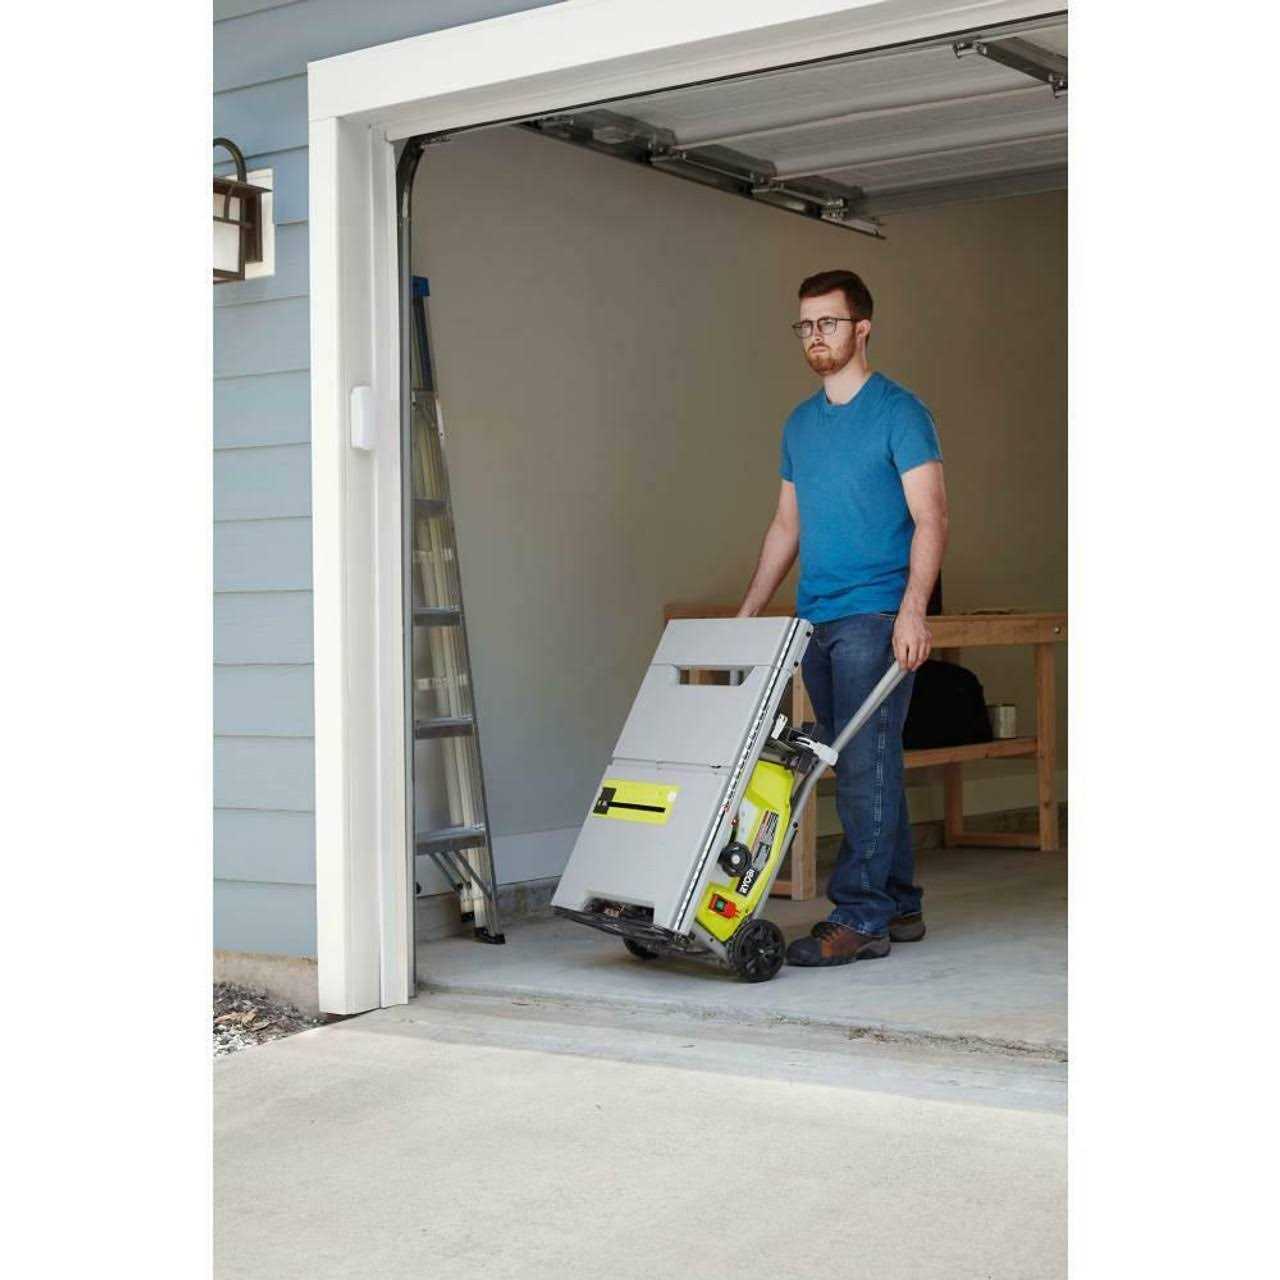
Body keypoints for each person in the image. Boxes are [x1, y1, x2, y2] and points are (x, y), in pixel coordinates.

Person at [736, 269, 948, 968]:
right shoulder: (800, 424)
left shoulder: (900, 413)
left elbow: (931, 517)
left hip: (875, 617)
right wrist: (747, 614)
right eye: (805, 325)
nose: (814, 336)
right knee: (869, 763)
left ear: (862, 328)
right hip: (817, 619)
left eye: (828, 322)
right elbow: (785, 526)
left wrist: (912, 612)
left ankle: (860, 916)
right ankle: (900, 903)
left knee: (861, 767)